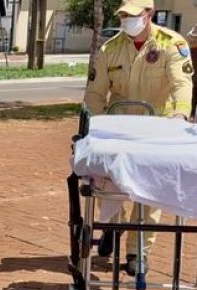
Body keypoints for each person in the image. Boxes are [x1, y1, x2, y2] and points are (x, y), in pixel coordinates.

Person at [84, 0, 194, 275]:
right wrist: (93, 126)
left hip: (156, 132)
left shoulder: (171, 44)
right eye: (123, 15)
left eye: (132, 15)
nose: (126, 20)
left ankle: (138, 252)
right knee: (108, 183)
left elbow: (182, 84)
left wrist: (180, 114)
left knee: (149, 193)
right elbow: (96, 92)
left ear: (149, 15)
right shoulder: (111, 48)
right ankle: (113, 226)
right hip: (118, 130)